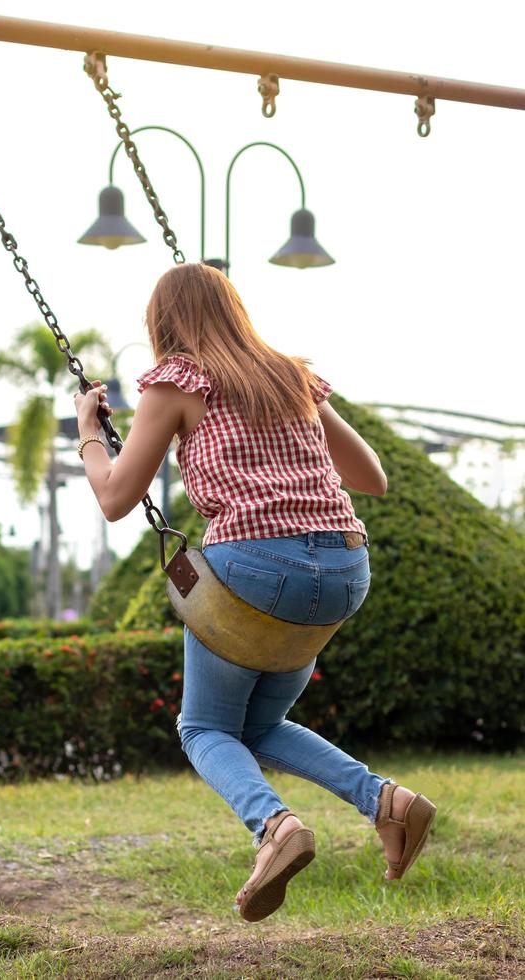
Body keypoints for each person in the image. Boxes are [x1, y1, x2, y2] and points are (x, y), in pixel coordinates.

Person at [74, 262, 437, 923]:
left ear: (163, 325)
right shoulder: (291, 376)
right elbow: (372, 477)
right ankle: (388, 803)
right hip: (345, 570)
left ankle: (274, 827)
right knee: (258, 727)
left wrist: (90, 436)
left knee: (205, 727)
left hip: (257, 573)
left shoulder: (176, 380)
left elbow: (115, 497)